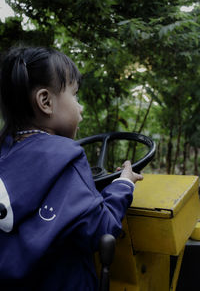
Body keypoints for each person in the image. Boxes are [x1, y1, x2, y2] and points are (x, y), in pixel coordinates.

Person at [0, 46, 143, 291]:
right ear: (45, 101)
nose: (81, 108)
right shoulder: (66, 156)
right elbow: (101, 229)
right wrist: (123, 184)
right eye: (75, 95)